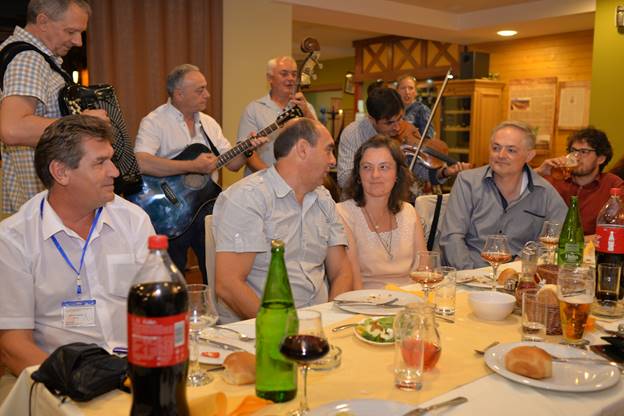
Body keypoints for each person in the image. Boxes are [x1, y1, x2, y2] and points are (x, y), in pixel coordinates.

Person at [0, 115, 155, 376]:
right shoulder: (14, 239)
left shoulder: (133, 220)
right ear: (61, 172)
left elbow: (159, 308)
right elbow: (13, 346)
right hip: (60, 378)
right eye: (100, 163)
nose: (115, 172)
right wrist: (79, 383)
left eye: (111, 159)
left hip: (137, 371)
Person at [213, 118, 353, 321]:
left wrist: (331, 320)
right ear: (303, 149)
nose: (333, 161)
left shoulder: (323, 198)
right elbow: (228, 284)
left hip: (319, 324)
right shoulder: (249, 197)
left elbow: (342, 271)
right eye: (328, 150)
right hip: (262, 331)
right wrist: (284, 330)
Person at [134, 64, 263, 283]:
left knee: (213, 273)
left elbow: (231, 164)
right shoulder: (155, 121)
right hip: (169, 211)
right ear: (179, 94)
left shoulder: (209, 123)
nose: (207, 94)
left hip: (205, 209)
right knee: (172, 278)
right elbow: (141, 162)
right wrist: (192, 166)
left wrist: (248, 148)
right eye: (200, 90)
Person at [0, 0, 107, 215]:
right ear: (43, 21)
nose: (78, 42)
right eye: (71, 31)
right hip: (34, 202)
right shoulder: (27, 59)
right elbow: (12, 128)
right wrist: (82, 123)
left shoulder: (35, 59)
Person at [440, 120, 567, 270]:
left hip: (519, 276)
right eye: (496, 148)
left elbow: (560, 237)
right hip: (470, 272)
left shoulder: (545, 192)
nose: (501, 155)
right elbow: (451, 237)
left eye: (511, 150)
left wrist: (525, 259)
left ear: (529, 155)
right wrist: (470, 273)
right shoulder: (467, 182)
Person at [336, 87, 468, 195]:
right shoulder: (352, 134)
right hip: (357, 204)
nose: (398, 127)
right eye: (389, 123)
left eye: (400, 118)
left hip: (391, 205)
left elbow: (420, 171)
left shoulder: (405, 133)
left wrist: (444, 172)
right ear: (371, 119)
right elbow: (344, 179)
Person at [337, 135, 426, 289]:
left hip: (411, 303)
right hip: (367, 304)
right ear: (358, 175)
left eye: (384, 167)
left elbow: (424, 270)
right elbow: (353, 284)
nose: (375, 175)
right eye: (367, 167)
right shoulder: (343, 214)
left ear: (397, 174)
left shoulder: (409, 212)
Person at [237, 55, 317, 176]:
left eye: (294, 74)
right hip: (261, 183)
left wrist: (306, 112)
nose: (290, 78)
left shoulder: (307, 107)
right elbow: (247, 153)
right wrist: (273, 176)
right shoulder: (254, 109)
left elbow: (319, 141)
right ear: (270, 78)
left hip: (297, 181)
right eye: (284, 74)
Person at [535, 127, 624, 235]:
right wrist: (539, 172)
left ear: (601, 159)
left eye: (583, 152)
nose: (576, 157)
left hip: (592, 250)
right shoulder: (555, 179)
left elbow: (617, 231)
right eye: (573, 151)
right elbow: (514, 190)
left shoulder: (613, 185)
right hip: (552, 247)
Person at [396, 74, 435, 138]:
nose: (407, 92)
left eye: (411, 88)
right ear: (397, 91)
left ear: (415, 92)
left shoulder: (422, 110)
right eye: (403, 88)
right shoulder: (394, 109)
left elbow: (428, 137)